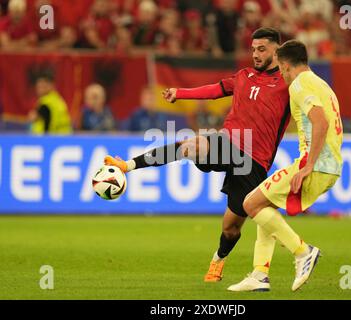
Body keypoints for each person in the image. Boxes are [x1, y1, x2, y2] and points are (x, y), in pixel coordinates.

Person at [105, 27, 290, 283]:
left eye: (262, 49)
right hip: (228, 142)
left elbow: (309, 108)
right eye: (253, 49)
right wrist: (180, 93)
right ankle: (127, 165)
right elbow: (215, 90)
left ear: (276, 50)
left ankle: (218, 260)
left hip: (255, 161)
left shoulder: (289, 82)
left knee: (231, 227)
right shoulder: (244, 75)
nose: (256, 55)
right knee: (192, 145)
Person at [228, 40, 343, 292]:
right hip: (331, 164)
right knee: (262, 203)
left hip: (315, 163)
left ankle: (303, 251)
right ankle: (260, 274)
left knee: (249, 203)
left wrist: (308, 165)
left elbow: (320, 123)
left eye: (280, 67)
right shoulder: (321, 84)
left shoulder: (300, 84)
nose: (280, 72)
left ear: (286, 64)